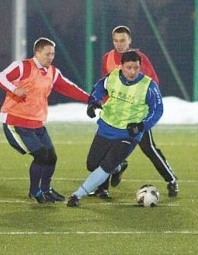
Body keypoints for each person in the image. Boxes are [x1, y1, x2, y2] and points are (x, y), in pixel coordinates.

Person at [0, 37, 90, 203]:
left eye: (53, 54)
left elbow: (69, 88)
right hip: (16, 122)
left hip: (37, 124)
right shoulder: (23, 66)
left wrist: (90, 99)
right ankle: (35, 192)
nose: (51, 57)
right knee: (40, 155)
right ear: (37, 52)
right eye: (47, 54)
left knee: (51, 157)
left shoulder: (52, 72)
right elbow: (1, 77)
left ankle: (46, 189)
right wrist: (14, 89)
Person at [67, 50, 164, 207]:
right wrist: (94, 102)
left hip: (128, 133)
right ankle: (119, 167)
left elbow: (157, 110)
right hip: (106, 127)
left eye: (136, 68)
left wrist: (142, 125)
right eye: (129, 67)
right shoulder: (111, 77)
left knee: (107, 165)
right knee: (92, 164)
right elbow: (98, 88)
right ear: (121, 66)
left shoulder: (148, 86)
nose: (132, 71)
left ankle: (77, 195)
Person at [95, 25, 178, 198]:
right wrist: (105, 102)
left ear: (130, 41)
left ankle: (171, 180)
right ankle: (103, 187)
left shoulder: (139, 59)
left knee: (149, 149)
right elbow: (105, 84)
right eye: (116, 40)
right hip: (116, 116)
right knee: (107, 150)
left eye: (123, 40)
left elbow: (153, 82)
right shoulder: (107, 58)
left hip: (137, 115)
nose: (119, 44)